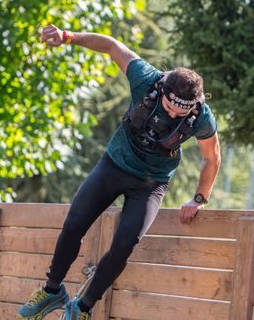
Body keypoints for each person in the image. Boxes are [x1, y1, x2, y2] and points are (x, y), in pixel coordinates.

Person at [17, 24, 221, 320]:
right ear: (163, 91)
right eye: (169, 107)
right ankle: (52, 291)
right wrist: (68, 37)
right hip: (113, 165)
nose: (174, 114)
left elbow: (212, 158)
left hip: (150, 185)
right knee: (75, 223)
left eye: (181, 112)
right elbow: (112, 45)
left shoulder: (201, 117)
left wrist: (199, 198)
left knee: (125, 244)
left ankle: (82, 308)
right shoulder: (147, 79)